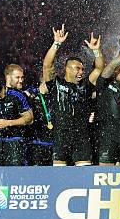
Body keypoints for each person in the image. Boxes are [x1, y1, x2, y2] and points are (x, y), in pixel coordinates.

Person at [42, 25, 104, 166]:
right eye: (78, 68)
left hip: (82, 137)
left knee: (84, 176)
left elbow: (99, 68)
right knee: (59, 176)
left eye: (83, 69)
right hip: (61, 137)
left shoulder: (85, 85)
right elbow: (47, 65)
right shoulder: (55, 84)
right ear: (67, 68)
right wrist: (56, 43)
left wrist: (96, 51)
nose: (81, 72)